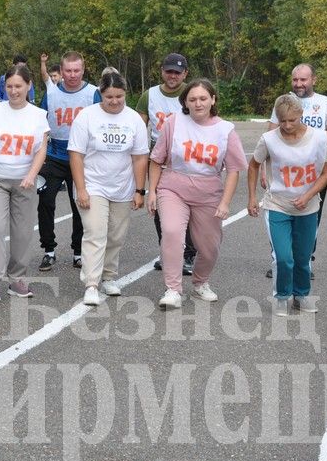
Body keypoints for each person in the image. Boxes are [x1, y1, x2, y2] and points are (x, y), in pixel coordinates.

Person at [147, 79, 247, 309]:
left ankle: (200, 283)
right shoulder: (173, 123)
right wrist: (151, 191)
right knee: (171, 232)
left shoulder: (226, 130)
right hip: (173, 187)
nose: (198, 103)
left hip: (209, 193)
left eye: (203, 98)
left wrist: (225, 202)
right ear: (185, 102)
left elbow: (233, 170)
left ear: (213, 100)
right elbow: (156, 159)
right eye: (192, 99)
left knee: (209, 248)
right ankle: (173, 289)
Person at [68, 71, 148, 306]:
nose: (114, 102)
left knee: (116, 236)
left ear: (125, 94)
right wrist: (81, 189)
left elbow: (140, 157)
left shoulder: (134, 119)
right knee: (95, 232)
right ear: (100, 94)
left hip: (123, 187)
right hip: (93, 185)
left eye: (119, 97)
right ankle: (91, 283)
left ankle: (109, 276)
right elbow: (76, 155)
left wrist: (139, 190)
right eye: (109, 97)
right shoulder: (86, 117)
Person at [248, 94, 327, 316]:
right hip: (278, 204)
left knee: (303, 257)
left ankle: (301, 296)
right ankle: (281, 296)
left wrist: (308, 195)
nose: (286, 125)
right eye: (282, 120)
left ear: (300, 115)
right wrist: (251, 197)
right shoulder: (268, 139)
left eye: (291, 120)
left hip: (308, 206)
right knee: (284, 257)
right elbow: (253, 165)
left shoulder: (320, 138)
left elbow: (325, 174)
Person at [0, 63, 49, 304]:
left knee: (22, 232)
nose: (13, 91)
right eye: (9, 86)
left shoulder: (38, 115)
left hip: (25, 182)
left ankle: (16, 278)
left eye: (18, 86)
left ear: (29, 86)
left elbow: (41, 150)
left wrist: (31, 174)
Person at [264, 63, 327, 279]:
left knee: (310, 218)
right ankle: (280, 260)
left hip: (315, 174)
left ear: (313, 80)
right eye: (295, 80)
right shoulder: (282, 102)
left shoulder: (325, 104)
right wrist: (265, 171)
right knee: (280, 215)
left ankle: (305, 261)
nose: (299, 84)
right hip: (284, 173)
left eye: (303, 80)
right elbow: (269, 138)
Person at [37, 51, 101, 271]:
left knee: (80, 205)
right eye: (68, 71)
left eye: (76, 70)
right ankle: (49, 250)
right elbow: (40, 124)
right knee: (45, 201)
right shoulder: (52, 94)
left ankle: (77, 251)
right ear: (61, 71)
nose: (72, 75)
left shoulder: (93, 94)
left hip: (83, 158)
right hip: (55, 155)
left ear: (83, 70)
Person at [137, 53, 198, 274]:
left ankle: (189, 254)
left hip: (186, 160)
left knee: (188, 208)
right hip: (158, 160)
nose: (172, 76)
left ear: (185, 74)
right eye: (169, 71)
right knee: (160, 208)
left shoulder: (192, 94)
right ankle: (168, 251)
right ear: (162, 71)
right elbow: (139, 127)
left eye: (177, 72)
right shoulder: (149, 95)